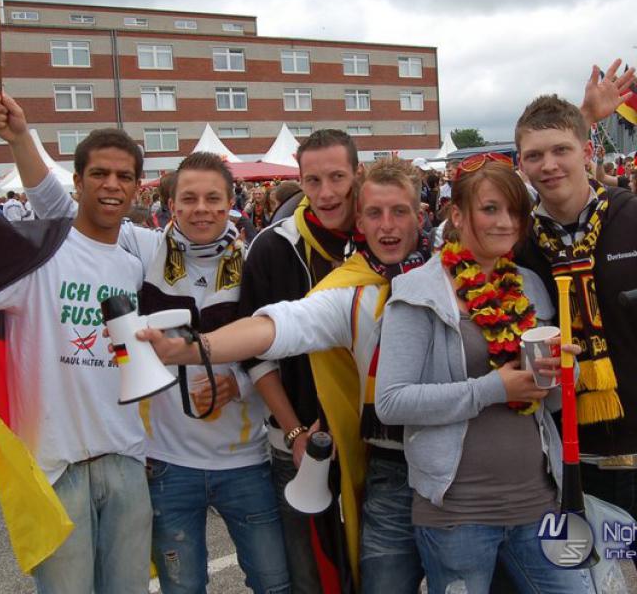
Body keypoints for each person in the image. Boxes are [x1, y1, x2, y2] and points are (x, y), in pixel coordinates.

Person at [130, 157, 429, 594]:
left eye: (399, 211)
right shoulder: (345, 289)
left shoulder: (452, 275)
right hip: (375, 464)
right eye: (375, 213)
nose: (387, 224)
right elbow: (277, 327)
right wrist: (196, 350)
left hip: (457, 464)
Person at [20, 148, 290, 593]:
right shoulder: (144, 248)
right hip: (167, 463)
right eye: (189, 199)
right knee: (182, 588)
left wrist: (237, 384)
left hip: (244, 461)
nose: (201, 209)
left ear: (230, 202)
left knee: (274, 583)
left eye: (213, 199)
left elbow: (275, 345)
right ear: (171, 203)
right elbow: (63, 211)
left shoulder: (254, 260)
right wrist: (20, 139)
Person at [374, 157, 593, 593]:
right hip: (458, 514)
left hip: (540, 502)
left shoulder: (529, 284)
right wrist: (493, 388)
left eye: (515, 211)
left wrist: (562, 373)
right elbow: (391, 402)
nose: (505, 222)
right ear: (457, 215)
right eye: (490, 209)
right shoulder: (418, 293)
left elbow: (546, 402)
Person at [0, 94, 152, 593]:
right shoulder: (37, 253)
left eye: (124, 176)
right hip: (54, 466)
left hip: (125, 457)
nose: (112, 185)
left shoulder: (132, 266)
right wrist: (19, 138)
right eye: (99, 174)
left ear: (137, 187)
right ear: (78, 182)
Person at [235, 128, 364, 593]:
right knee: (311, 576)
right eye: (313, 180)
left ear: (357, 174)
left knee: (380, 570)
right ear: (300, 180)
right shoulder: (274, 246)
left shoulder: (382, 237)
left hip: (373, 438)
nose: (326, 193)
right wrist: (293, 433)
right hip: (299, 441)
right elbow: (255, 355)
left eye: (337, 177)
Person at [515, 91, 637, 556]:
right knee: (592, 572)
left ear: (586, 151)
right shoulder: (519, 243)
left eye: (561, 150)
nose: (548, 165)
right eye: (535, 156)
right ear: (522, 165)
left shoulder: (630, 215)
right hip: (568, 459)